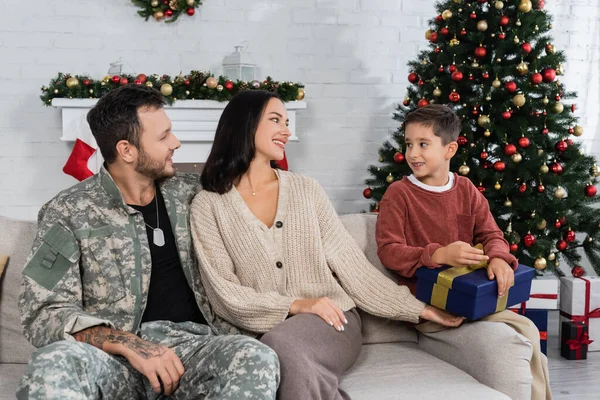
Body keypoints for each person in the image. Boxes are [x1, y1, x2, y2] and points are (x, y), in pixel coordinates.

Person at [189, 90, 463, 400]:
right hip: (259, 332)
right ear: (245, 124)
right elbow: (224, 293)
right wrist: (294, 305)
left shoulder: (306, 190)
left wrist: (420, 309)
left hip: (331, 322)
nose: (287, 131)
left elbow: (353, 268)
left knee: (282, 346)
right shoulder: (208, 205)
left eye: (287, 121)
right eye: (276, 120)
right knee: (274, 351)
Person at [17, 85, 279, 400]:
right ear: (127, 150)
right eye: (163, 137)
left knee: (255, 356)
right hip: (114, 361)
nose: (176, 143)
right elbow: (42, 311)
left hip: (194, 352)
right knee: (52, 362)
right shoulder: (67, 212)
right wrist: (131, 345)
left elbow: (259, 191)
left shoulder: (193, 194)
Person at [376, 104, 551, 400]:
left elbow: (491, 233)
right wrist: (438, 255)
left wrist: (497, 257)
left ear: (450, 149)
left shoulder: (466, 189)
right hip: (432, 310)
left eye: (423, 144)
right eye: (408, 144)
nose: (413, 153)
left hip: (472, 300)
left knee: (530, 334)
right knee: (528, 335)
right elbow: (389, 251)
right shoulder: (399, 194)